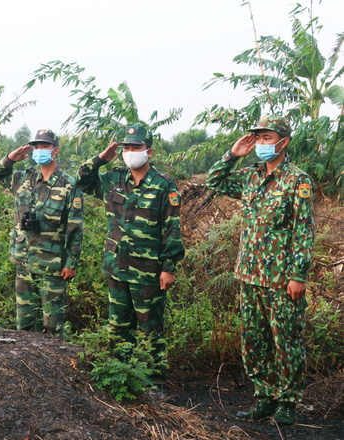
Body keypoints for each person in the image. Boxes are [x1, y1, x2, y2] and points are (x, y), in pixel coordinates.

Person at [206, 115, 314, 425]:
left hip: (281, 279)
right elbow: (215, 181)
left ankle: (288, 403)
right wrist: (232, 154)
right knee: (253, 340)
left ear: (284, 142)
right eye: (259, 138)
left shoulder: (297, 180)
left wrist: (298, 275)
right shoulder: (251, 176)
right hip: (250, 275)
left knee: (287, 341)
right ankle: (265, 398)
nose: (262, 144)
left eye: (268, 138)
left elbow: (304, 231)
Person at [77, 123, 185, 386]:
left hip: (148, 272)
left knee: (150, 331)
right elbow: (81, 179)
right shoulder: (113, 179)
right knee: (118, 328)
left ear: (149, 151)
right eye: (126, 147)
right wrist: (101, 158)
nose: (130, 151)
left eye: (135, 147)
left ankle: (153, 384)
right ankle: (122, 379)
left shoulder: (164, 186)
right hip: (116, 267)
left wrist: (169, 267)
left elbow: (172, 229)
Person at [0, 129, 83, 338]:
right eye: (36, 146)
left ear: (55, 150)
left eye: (45, 146)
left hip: (52, 266)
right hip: (24, 261)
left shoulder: (69, 185)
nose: (39, 150)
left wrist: (71, 263)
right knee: (24, 325)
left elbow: (75, 228)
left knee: (53, 328)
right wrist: (10, 158)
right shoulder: (23, 178)